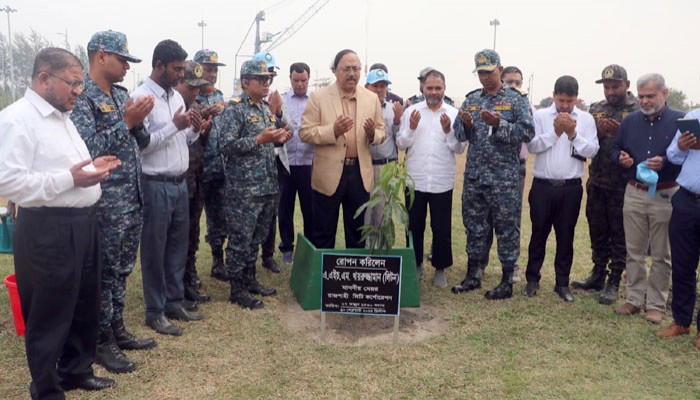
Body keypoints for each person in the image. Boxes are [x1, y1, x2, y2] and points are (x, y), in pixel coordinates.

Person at [0, 47, 120, 398]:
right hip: (47, 229)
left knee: (83, 301)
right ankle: (47, 388)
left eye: (80, 84)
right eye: (73, 83)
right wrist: (69, 181)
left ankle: (75, 370)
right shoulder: (17, 119)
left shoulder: (62, 116)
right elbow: (7, 182)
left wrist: (91, 168)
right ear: (43, 79)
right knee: (49, 312)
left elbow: (67, 169)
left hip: (82, 223)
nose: (78, 92)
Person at [70, 30, 156, 375]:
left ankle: (117, 327)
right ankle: (100, 338)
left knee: (122, 270)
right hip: (105, 203)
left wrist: (138, 122)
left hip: (131, 199)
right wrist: (127, 122)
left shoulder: (121, 95)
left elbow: (142, 142)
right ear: (101, 56)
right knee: (103, 274)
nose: (126, 66)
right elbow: (86, 148)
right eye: (122, 60)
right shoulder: (82, 98)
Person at [132, 39, 206, 337]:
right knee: (155, 249)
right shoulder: (140, 98)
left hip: (179, 184)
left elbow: (181, 140)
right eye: (176, 69)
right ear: (159, 65)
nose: (180, 75)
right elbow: (144, 147)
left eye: (182, 69)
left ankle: (175, 302)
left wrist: (195, 129)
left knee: (178, 245)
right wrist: (175, 126)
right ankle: (155, 310)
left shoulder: (176, 97)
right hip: (155, 184)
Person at [451, 49, 534, 300]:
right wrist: (465, 125)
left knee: (506, 229)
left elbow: (527, 133)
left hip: (503, 178)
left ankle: (507, 280)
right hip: (475, 176)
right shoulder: (471, 100)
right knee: (474, 227)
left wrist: (500, 124)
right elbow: (458, 135)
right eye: (480, 73)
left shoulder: (516, 99)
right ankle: (473, 274)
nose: (484, 78)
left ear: (499, 69)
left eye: (488, 72)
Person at [610, 73, 684, 324]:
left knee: (662, 254)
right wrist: (621, 158)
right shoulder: (630, 121)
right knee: (634, 250)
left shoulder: (680, 121)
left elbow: (687, 157)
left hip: (665, 194)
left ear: (665, 93)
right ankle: (633, 299)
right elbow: (613, 149)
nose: (644, 101)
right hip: (634, 192)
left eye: (650, 95)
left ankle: (655, 304)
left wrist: (665, 161)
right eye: (641, 96)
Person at [219, 59, 290, 309]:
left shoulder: (263, 109)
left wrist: (278, 135)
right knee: (240, 239)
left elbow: (270, 140)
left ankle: (250, 279)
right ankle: (237, 288)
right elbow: (225, 147)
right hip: (244, 190)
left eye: (268, 79)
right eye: (261, 79)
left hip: (266, 184)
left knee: (257, 237)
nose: (266, 83)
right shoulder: (234, 109)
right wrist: (259, 139)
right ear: (245, 82)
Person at [521, 76, 599, 302]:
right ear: (553, 95)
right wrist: (555, 133)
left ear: (577, 98)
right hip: (543, 186)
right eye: (561, 100)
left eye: (570, 101)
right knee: (538, 234)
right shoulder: (541, 116)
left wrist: (573, 134)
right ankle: (532, 280)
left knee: (566, 236)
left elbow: (592, 150)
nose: (565, 105)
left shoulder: (585, 119)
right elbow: (532, 146)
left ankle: (562, 283)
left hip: (571, 188)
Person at [299, 49, 386, 249]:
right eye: (346, 68)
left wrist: (373, 134)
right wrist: (333, 131)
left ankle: (352, 277)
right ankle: (323, 277)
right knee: (323, 231)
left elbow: (382, 132)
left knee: (357, 233)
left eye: (356, 68)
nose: (351, 73)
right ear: (335, 71)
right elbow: (305, 132)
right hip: (328, 174)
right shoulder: (318, 97)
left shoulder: (371, 98)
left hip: (359, 173)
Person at [571, 64, 639, 305]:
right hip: (597, 180)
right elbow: (587, 144)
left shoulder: (637, 109)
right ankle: (598, 273)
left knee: (619, 233)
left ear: (627, 85)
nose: (610, 91)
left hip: (623, 184)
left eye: (615, 86)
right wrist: (598, 133)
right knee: (597, 228)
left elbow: (642, 148)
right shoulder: (596, 109)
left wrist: (622, 133)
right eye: (607, 87)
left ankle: (614, 279)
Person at [396, 69, 465, 288]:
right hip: (414, 181)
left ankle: (440, 268)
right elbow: (401, 144)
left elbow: (459, 148)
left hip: (441, 180)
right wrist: (412, 129)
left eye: (438, 88)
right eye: (429, 88)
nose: (433, 92)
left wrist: (448, 131)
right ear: (423, 88)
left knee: (441, 228)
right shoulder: (412, 112)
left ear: (444, 88)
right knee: (414, 226)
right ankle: (415, 265)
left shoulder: (453, 114)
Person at [477, 65, 532, 282]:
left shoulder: (520, 103)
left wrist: (500, 124)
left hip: (511, 171)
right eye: (509, 81)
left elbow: (528, 132)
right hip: (484, 170)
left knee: (509, 221)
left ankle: (511, 267)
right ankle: (479, 264)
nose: (513, 85)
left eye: (517, 82)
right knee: (483, 220)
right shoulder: (482, 100)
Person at [656, 107, 700, 345]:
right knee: (683, 265)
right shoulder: (694, 117)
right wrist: (682, 146)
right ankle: (681, 322)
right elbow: (673, 156)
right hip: (686, 199)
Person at [177, 60, 214, 305]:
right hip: (179, 180)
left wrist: (204, 130)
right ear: (179, 82)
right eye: (191, 86)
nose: (196, 92)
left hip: (197, 178)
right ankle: (176, 284)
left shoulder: (198, 106)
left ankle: (189, 279)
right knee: (178, 236)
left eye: (199, 87)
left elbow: (201, 143)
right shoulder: (174, 108)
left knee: (193, 232)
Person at [193, 49, 229, 282]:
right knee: (192, 221)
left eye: (215, 69)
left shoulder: (221, 96)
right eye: (208, 68)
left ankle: (218, 262)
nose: (212, 73)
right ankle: (190, 269)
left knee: (220, 218)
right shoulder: (190, 96)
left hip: (220, 168)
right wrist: (204, 113)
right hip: (197, 169)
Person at [252, 50, 288, 274]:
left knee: (271, 212)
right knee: (250, 215)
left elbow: (288, 128)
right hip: (252, 167)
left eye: (271, 75)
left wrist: (278, 113)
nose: (268, 80)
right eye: (264, 75)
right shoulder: (244, 102)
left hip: (274, 166)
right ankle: (246, 259)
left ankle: (268, 256)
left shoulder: (275, 98)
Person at [277, 62, 314, 264]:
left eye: (303, 81)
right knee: (285, 208)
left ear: (308, 80)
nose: (300, 84)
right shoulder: (281, 100)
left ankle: (308, 247)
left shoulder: (316, 101)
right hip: (286, 163)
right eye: (296, 80)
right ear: (290, 79)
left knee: (310, 209)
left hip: (309, 163)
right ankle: (286, 249)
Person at [364, 68, 402, 228]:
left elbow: (399, 140)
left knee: (383, 214)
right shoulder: (361, 109)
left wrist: (397, 121)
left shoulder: (394, 109)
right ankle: (364, 251)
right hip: (366, 166)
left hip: (387, 167)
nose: (379, 90)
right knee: (366, 213)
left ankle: (381, 250)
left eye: (383, 86)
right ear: (367, 87)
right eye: (376, 86)